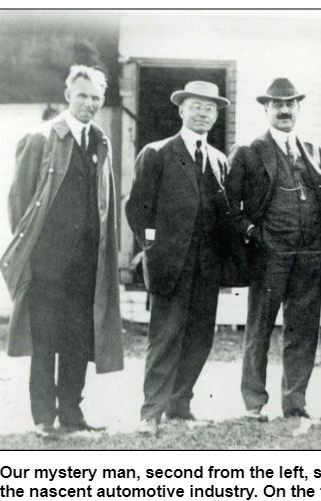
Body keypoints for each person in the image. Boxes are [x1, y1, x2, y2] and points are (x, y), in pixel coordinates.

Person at [0, 65, 124, 439]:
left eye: (96, 98)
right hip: (47, 263)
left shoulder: (100, 141)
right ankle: (43, 418)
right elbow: (19, 203)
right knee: (45, 340)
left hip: (87, 264)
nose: (89, 103)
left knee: (77, 339)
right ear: (68, 94)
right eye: (82, 95)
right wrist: (35, 254)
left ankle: (71, 413)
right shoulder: (40, 138)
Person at [126, 81, 230, 436]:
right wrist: (153, 247)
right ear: (181, 110)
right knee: (166, 336)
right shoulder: (157, 153)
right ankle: (150, 411)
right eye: (196, 106)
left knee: (200, 336)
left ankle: (180, 404)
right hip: (170, 265)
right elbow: (137, 210)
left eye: (210, 108)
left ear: (216, 116)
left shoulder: (218, 160)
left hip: (207, 267)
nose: (203, 113)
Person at [225, 78, 321, 421]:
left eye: (290, 104)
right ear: (266, 109)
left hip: (309, 254)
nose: (284, 110)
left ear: (298, 108)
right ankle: (254, 403)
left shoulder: (312, 150)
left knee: (303, 329)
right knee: (259, 329)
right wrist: (254, 233)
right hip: (269, 254)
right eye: (277, 104)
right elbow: (229, 206)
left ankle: (295, 402)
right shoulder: (248, 151)